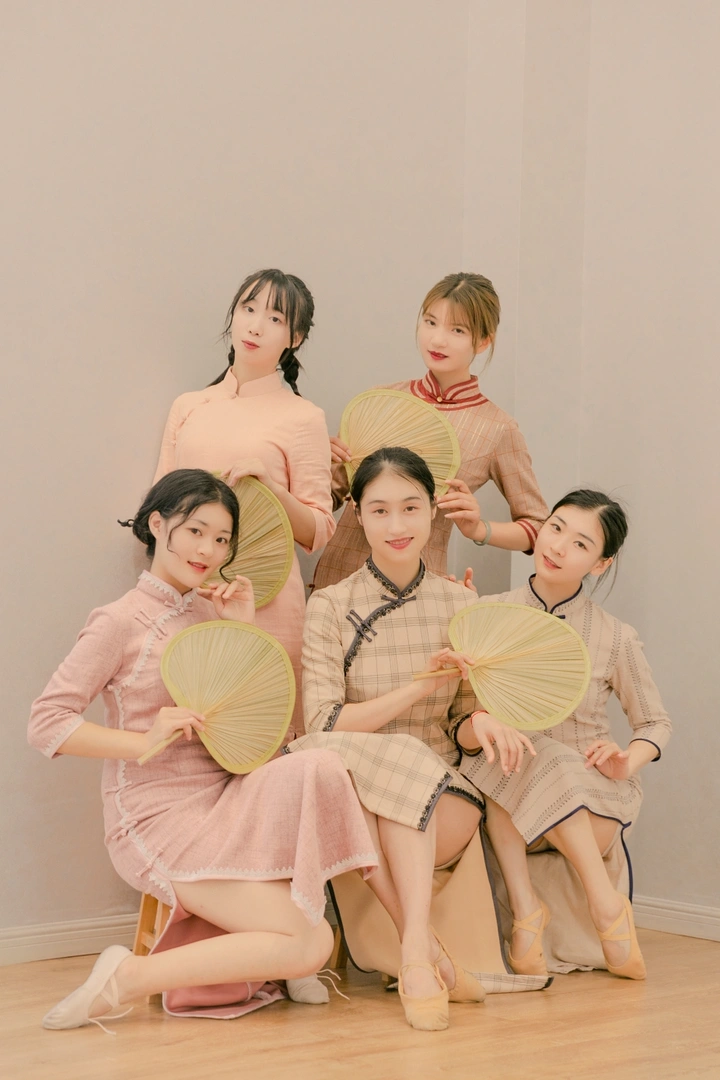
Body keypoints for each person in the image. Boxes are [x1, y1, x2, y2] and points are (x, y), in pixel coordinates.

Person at [28, 470, 377, 1029]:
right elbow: (47, 723)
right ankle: (126, 977)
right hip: (158, 815)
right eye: (195, 531)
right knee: (312, 942)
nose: (208, 551)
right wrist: (143, 741)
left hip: (225, 795)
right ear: (157, 524)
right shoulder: (119, 621)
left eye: (221, 539)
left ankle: (170, 971)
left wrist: (242, 628)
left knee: (320, 764)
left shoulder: (211, 610)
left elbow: (250, 727)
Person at [286, 447, 536, 1030]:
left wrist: (483, 721)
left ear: (431, 511)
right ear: (358, 515)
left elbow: (461, 724)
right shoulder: (329, 605)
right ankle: (420, 954)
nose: (396, 525)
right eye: (379, 510)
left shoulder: (461, 602)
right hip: (356, 792)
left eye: (410, 507)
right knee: (378, 761)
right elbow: (323, 723)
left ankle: (419, 951)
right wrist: (419, 686)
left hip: (444, 795)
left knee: (402, 769)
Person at [456, 490, 672, 979]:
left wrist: (627, 760)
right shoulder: (489, 612)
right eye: (555, 528)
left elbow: (655, 723)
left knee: (544, 755)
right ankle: (538, 908)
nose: (557, 546)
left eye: (580, 544)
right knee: (510, 752)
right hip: (510, 792)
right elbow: (464, 712)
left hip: (592, 795)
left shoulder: (615, 636)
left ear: (600, 564)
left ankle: (587, 906)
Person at [154, 269, 335, 734]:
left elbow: (319, 531)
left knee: (267, 744)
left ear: (295, 338)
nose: (255, 326)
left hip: (267, 604)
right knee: (191, 739)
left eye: (275, 318)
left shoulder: (303, 417)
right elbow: (158, 515)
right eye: (248, 309)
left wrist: (272, 489)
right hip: (188, 600)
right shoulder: (189, 406)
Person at [313, 272, 548, 590]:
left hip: (418, 593)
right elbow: (328, 500)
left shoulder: (497, 428)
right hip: (339, 580)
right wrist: (320, 465)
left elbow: (538, 527)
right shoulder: (380, 401)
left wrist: (478, 529)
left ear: (483, 341)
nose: (437, 340)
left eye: (457, 330)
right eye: (430, 322)